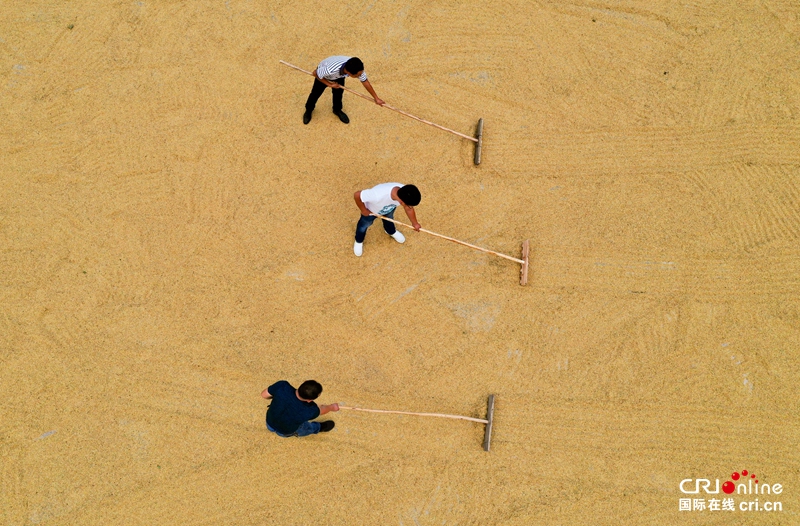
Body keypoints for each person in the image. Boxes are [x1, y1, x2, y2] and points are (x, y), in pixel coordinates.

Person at [303, 56, 384, 125]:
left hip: (339, 77)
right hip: (323, 76)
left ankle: (337, 110)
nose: (360, 76)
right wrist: (329, 84)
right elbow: (315, 73)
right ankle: (308, 110)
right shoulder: (330, 69)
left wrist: (376, 98)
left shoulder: (358, 68)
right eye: (357, 75)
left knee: (338, 94)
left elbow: (365, 82)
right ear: (349, 73)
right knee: (315, 94)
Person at [353, 183, 421, 257]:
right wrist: (364, 210)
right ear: (402, 202)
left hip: (388, 209)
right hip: (371, 212)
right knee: (363, 226)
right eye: (409, 205)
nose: (410, 207)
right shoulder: (377, 194)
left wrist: (415, 223)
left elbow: (409, 209)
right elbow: (357, 195)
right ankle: (359, 240)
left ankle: (390, 231)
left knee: (389, 220)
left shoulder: (405, 192)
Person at [261, 380, 339, 437]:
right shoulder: (310, 410)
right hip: (286, 430)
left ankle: (272, 429)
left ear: (304, 382)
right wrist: (332, 407)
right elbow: (322, 410)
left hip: (270, 421)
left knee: (271, 427)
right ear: (309, 400)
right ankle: (318, 428)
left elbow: (264, 395)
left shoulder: (282, 386)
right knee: (305, 428)